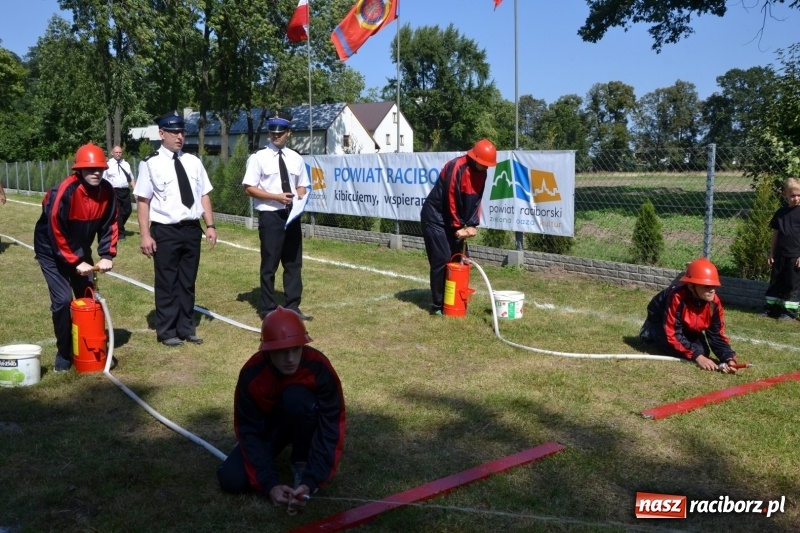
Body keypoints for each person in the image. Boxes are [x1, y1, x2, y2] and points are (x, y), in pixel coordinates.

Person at [217, 307, 345, 515]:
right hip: (269, 428)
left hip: (305, 420)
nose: (290, 358)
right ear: (267, 350)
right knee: (231, 480)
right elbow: (249, 429)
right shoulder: (252, 374)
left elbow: (332, 426)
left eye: (296, 349)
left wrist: (310, 481)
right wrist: (270, 485)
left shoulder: (318, 367)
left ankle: (301, 461)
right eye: (282, 351)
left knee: (297, 398)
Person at [134, 111, 217, 347]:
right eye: (173, 132)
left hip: (191, 229)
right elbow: (143, 202)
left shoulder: (194, 162)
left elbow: (204, 195)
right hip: (165, 230)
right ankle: (167, 330)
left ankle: (186, 328)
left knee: (187, 281)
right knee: (167, 282)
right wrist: (145, 234)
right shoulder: (150, 163)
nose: (179, 136)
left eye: (181, 132)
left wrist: (210, 225)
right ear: (161, 134)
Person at [33, 142, 118, 372]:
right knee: (62, 301)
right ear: (78, 170)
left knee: (89, 299)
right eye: (90, 169)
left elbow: (110, 224)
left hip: (80, 250)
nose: (96, 173)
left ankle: (90, 346)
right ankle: (64, 352)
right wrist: (74, 261)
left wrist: (107, 254)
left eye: (99, 168)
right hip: (51, 250)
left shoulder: (107, 192)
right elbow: (54, 229)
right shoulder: (65, 191)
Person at [242, 111, 312, 321]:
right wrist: (275, 197)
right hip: (271, 215)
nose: (276, 136)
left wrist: (300, 195)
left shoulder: (295, 157)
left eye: (280, 133)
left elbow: (303, 184)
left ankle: (293, 306)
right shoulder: (258, 157)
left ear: (288, 133)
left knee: (293, 263)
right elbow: (249, 188)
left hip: (292, 215)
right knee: (269, 264)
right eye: (273, 132)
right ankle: (268, 309)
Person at [420, 139, 497, 315]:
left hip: (452, 220)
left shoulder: (482, 173)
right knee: (442, 259)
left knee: (461, 259)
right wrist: (456, 226)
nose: (486, 168)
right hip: (436, 218)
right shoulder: (457, 166)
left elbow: (475, 199)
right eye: (484, 164)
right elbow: (450, 198)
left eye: (488, 165)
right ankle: (439, 305)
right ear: (475, 157)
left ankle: (454, 302)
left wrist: (471, 224)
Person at [639, 258, 740, 373]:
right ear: (691, 286)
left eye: (714, 286)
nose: (712, 290)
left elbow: (716, 335)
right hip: (661, 319)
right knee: (691, 352)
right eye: (706, 286)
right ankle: (650, 332)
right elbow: (672, 333)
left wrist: (728, 359)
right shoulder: (677, 297)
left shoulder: (714, 303)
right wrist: (697, 357)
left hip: (686, 325)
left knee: (702, 352)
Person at [762, 177, 800, 321]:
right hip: (780, 255)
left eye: (799, 195)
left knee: (792, 284)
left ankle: (789, 312)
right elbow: (775, 234)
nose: (796, 198)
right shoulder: (780, 213)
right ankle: (772, 308)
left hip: (795, 256)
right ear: (786, 195)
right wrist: (772, 252)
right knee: (776, 281)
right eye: (792, 195)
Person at [102, 145, 136, 239]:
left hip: (125, 191)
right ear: (112, 153)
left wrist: (135, 191)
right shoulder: (108, 164)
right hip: (113, 191)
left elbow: (131, 178)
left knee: (128, 210)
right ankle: (121, 234)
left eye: (120, 152)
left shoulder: (126, 164)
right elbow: (103, 179)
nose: (118, 154)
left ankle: (118, 226)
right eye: (116, 152)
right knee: (118, 212)